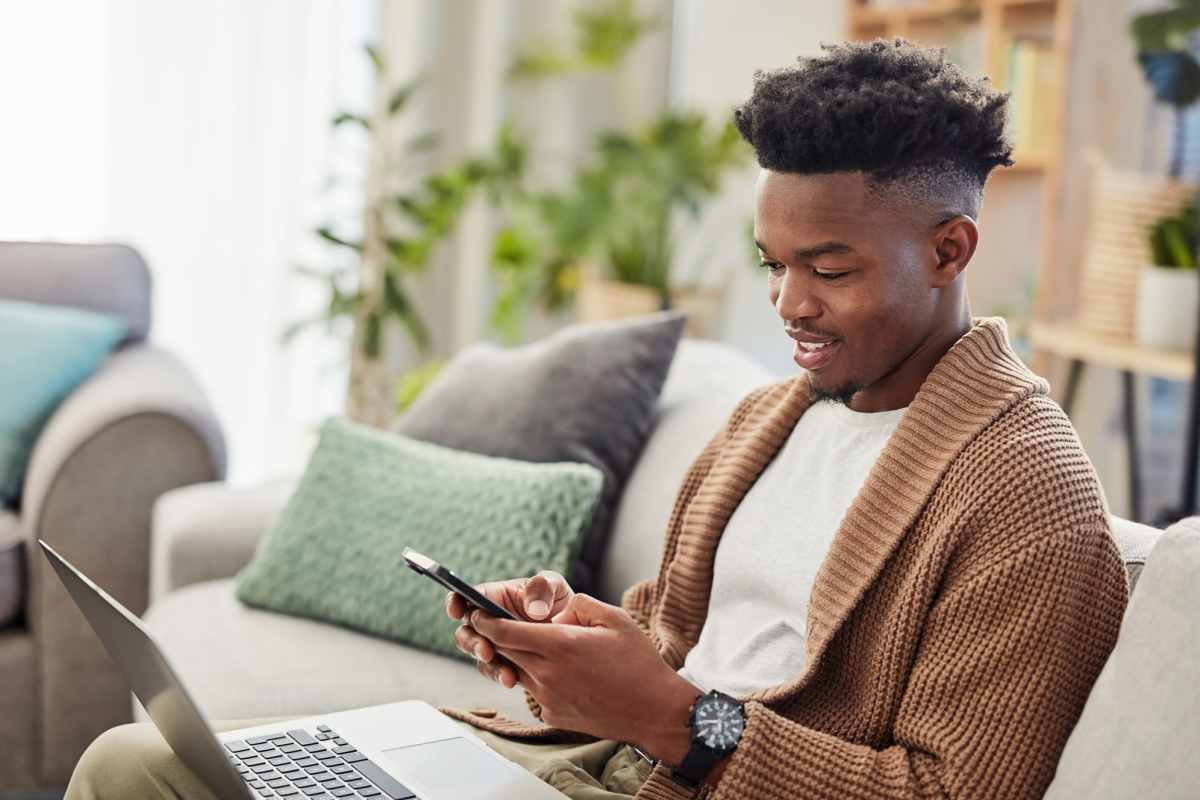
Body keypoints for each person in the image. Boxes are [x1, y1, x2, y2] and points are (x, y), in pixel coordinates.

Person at [66, 37, 1128, 800]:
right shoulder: (769, 420)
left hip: (665, 776)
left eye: (830, 269)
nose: (788, 303)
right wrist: (575, 640)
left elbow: (948, 791)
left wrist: (667, 715)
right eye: (773, 263)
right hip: (592, 763)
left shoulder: (1026, 490)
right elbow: (675, 639)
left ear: (949, 250)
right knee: (138, 763)